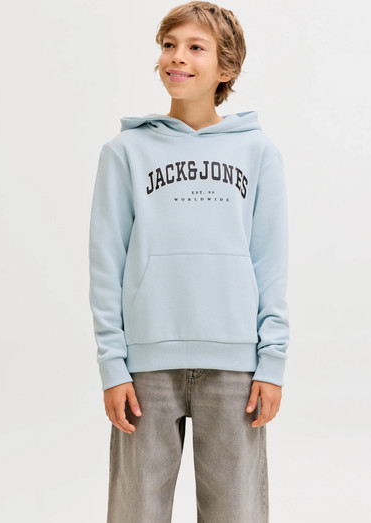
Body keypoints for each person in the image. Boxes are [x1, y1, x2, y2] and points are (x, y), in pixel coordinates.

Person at [88, 2, 290, 521]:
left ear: (226, 68)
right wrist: (112, 364)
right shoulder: (125, 151)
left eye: (195, 47)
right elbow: (106, 263)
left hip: (236, 365)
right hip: (145, 365)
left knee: (236, 512)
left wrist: (272, 360)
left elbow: (269, 263)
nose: (177, 57)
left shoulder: (258, 152)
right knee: (135, 512)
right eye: (169, 45)